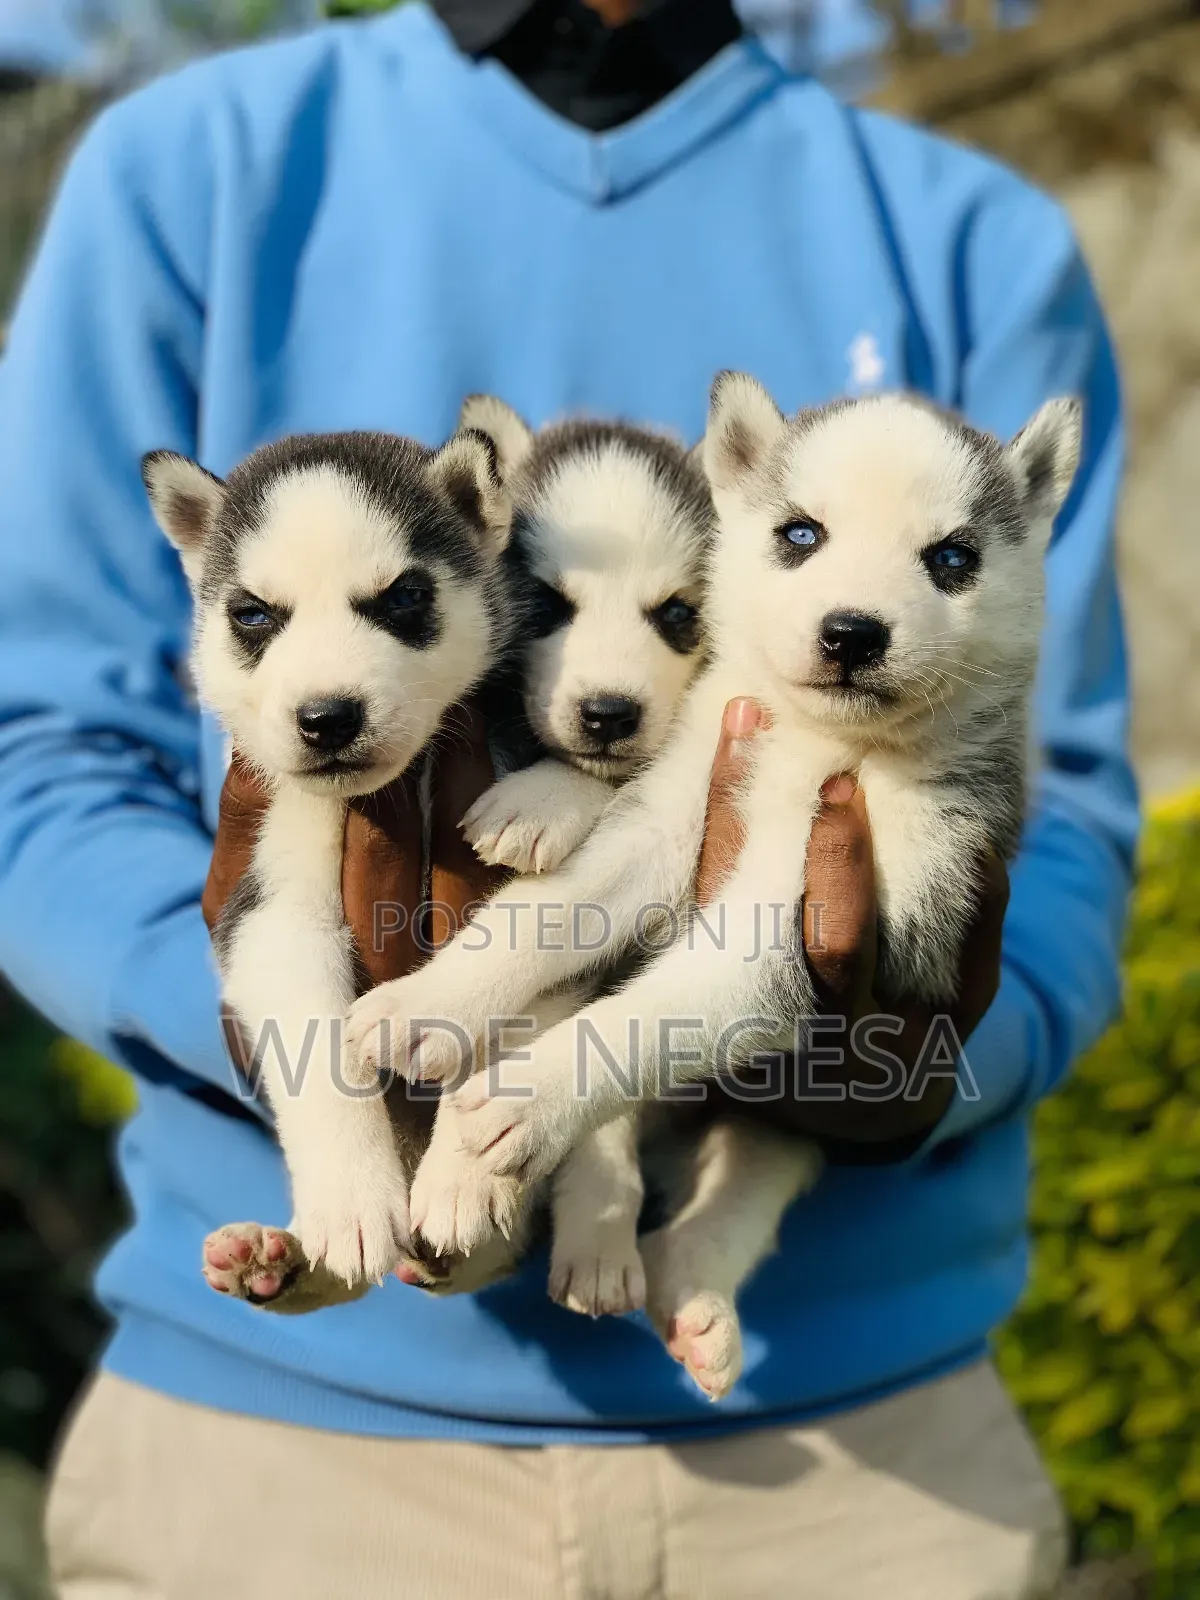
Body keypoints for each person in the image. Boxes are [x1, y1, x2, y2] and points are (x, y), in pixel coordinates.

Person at [0, 0, 1135, 1594]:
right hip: (281, 1455)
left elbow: (1070, 800)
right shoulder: (191, 166)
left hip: (862, 1468)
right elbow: (32, 749)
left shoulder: (971, 229)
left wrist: (928, 1054)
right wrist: (309, 1052)